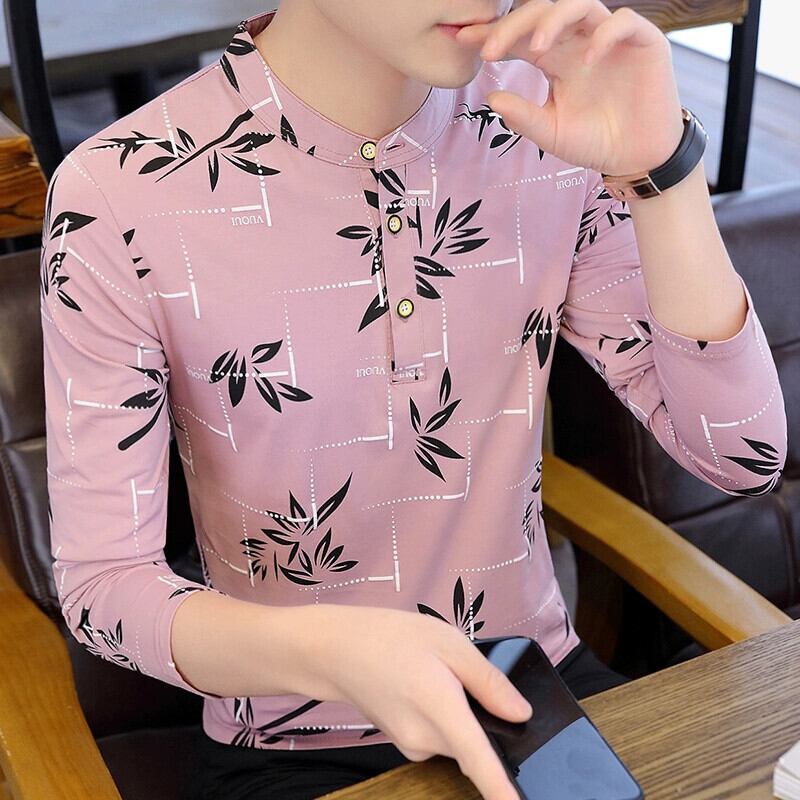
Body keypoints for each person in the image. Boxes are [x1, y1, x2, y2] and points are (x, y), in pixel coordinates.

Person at [39, 1, 787, 799]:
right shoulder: (118, 193)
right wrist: (336, 653)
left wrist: (663, 171)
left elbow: (742, 455)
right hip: (293, 745)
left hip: (535, 694)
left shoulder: (542, 118)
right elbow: (103, 588)